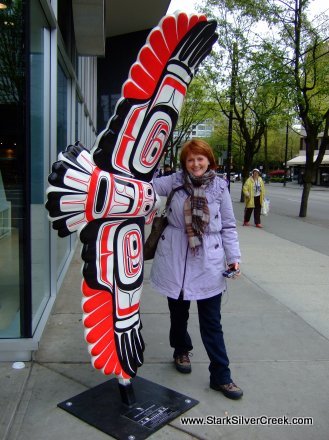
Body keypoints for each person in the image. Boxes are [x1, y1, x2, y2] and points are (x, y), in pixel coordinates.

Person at [150, 139, 243, 400]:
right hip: (175, 259)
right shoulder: (173, 181)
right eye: (190, 159)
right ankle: (181, 349)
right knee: (178, 315)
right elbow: (144, 186)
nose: (195, 163)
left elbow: (228, 226)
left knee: (212, 322)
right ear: (184, 163)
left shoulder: (220, 187)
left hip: (208, 262)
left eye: (200, 158)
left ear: (209, 159)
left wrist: (233, 258)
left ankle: (221, 376)